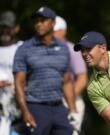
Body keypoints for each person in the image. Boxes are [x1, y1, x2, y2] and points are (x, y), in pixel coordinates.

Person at [13, 7, 77, 135]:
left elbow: (67, 82)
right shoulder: (24, 48)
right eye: (37, 21)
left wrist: (73, 110)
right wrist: (25, 112)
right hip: (36, 107)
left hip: (59, 107)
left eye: (43, 20)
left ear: (53, 23)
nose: (39, 24)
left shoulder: (63, 48)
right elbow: (19, 84)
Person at [54, 16, 88, 134]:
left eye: (54, 31)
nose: (51, 34)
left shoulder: (72, 50)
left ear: (63, 31)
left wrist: (67, 99)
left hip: (71, 101)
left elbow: (82, 79)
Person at [0, 10, 23, 135]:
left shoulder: (23, 48)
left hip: (19, 106)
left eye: (8, 28)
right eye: (2, 28)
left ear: (16, 28)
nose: (4, 32)